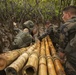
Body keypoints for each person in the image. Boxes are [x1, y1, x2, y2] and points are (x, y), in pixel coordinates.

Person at [58, 6, 76, 75]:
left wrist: (61, 57)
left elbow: (62, 46)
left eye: (63, 15)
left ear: (68, 14)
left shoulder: (66, 25)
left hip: (72, 60)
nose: (63, 17)